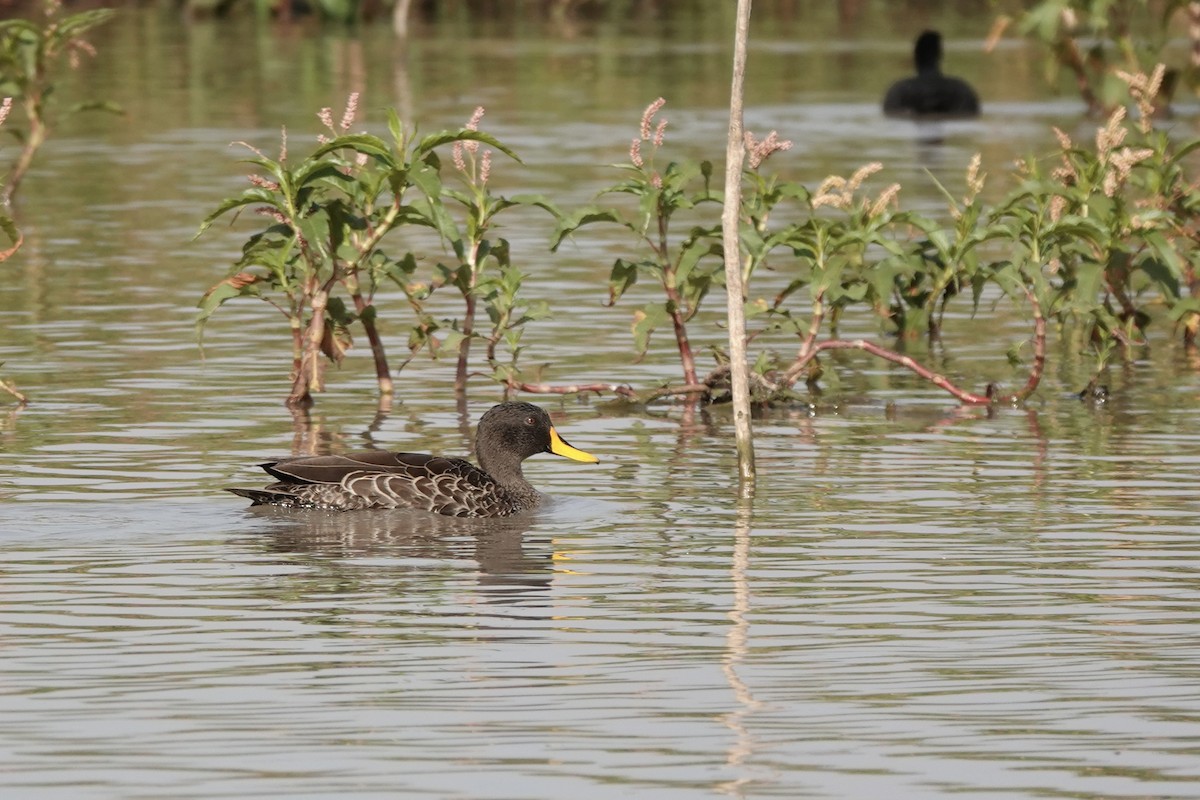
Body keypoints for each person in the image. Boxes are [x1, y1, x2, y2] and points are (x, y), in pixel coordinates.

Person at [883, 30, 980, 118]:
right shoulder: (961, 89)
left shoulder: (899, 90)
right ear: (940, 54)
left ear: (915, 56)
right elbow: (969, 112)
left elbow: (892, 112)